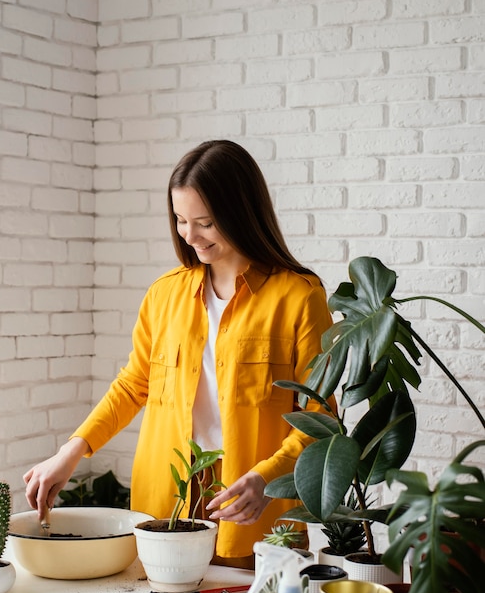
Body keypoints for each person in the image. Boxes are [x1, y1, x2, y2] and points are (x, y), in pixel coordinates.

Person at [24, 139, 334, 569]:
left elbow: (321, 417)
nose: (189, 236)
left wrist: (267, 479)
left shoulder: (299, 297)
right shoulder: (164, 294)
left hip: (252, 504)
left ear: (240, 214)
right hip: (166, 503)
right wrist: (71, 451)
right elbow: (134, 385)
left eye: (205, 223)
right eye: (180, 220)